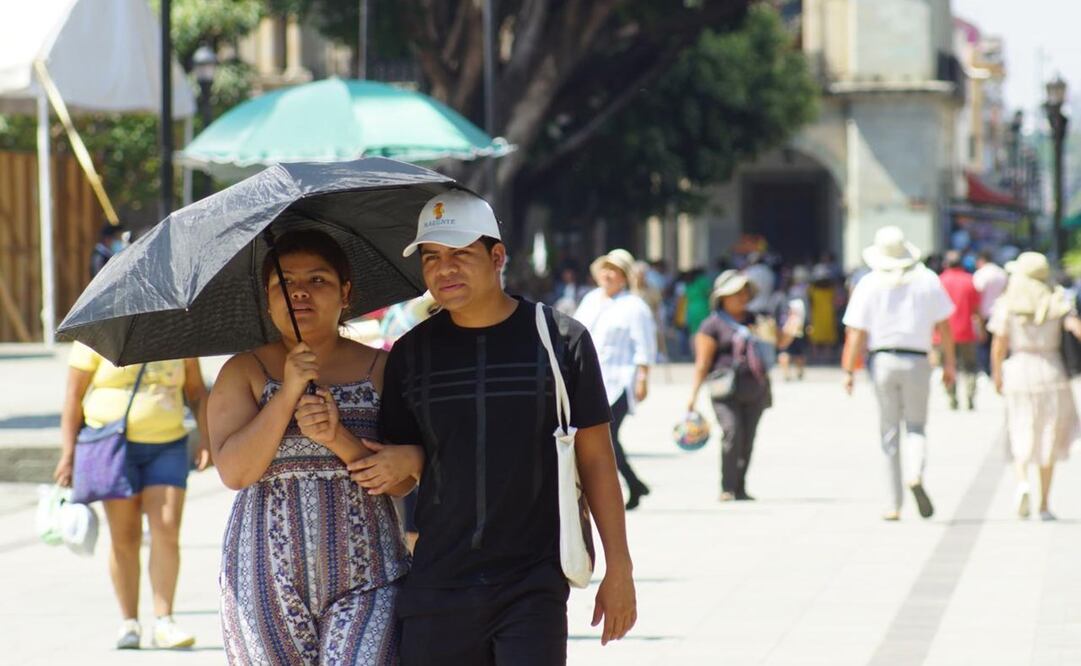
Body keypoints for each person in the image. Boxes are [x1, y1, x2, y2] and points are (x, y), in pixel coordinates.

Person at [352, 189, 636, 665]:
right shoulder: (410, 355)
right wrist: (401, 461)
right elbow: (400, 480)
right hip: (437, 584)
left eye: (460, 255)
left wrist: (620, 568)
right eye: (431, 257)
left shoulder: (561, 341)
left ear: (497, 256)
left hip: (533, 584)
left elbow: (597, 461)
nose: (444, 270)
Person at [208, 230, 415, 665]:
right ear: (268, 299)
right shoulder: (243, 371)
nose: (300, 291)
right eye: (285, 282)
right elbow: (235, 472)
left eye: (318, 280)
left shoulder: (382, 368)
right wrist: (286, 393)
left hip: (368, 575)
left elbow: (402, 483)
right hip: (263, 579)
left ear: (346, 293)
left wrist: (337, 437)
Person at [53, 343, 210, 649]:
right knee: (125, 536)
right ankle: (130, 622)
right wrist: (68, 454)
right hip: (112, 446)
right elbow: (73, 396)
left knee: (167, 528)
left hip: (169, 444)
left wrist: (207, 437)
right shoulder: (96, 335)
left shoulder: (180, 331)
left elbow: (196, 392)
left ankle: (164, 621)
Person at [841, 226, 956, 521]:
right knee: (916, 427)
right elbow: (945, 327)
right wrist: (950, 364)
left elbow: (856, 332)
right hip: (918, 360)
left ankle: (893, 504)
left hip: (883, 361)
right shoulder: (927, 280)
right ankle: (915, 473)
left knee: (889, 432)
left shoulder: (869, 283)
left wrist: (849, 370)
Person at [989, 252, 1081, 521]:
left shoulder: (1008, 302)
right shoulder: (1056, 300)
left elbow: (999, 344)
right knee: (1049, 433)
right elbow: (1076, 329)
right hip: (1052, 370)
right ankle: (1044, 505)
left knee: (1020, 426)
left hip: (1019, 368)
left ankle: (1022, 482)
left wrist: (997, 374)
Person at [687, 270, 793, 501]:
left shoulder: (757, 320)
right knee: (732, 432)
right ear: (723, 297)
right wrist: (693, 396)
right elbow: (702, 363)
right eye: (737, 293)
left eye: (745, 292)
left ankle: (741, 487)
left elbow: (778, 342)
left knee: (748, 438)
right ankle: (727, 486)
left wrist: (793, 323)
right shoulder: (711, 325)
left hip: (755, 389)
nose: (742, 297)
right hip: (723, 391)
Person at [574, 249, 657, 510]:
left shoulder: (634, 306)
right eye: (606, 269)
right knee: (597, 437)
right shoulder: (590, 300)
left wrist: (643, 377)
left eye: (615, 271)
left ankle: (628, 484)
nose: (608, 275)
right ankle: (634, 483)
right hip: (589, 378)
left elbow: (644, 344)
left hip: (618, 380)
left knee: (607, 435)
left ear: (624, 277)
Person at [937, 250, 982, 410]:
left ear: (945, 264)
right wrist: (981, 329)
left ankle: (952, 397)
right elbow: (976, 309)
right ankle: (970, 395)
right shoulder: (969, 281)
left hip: (944, 333)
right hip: (966, 330)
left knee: (947, 364)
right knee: (970, 366)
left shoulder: (940, 281)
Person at [973, 250, 1008, 373]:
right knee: (1000, 345)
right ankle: (998, 371)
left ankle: (988, 372)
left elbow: (977, 296)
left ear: (981, 260)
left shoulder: (980, 274)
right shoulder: (1001, 273)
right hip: (1000, 313)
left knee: (984, 346)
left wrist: (977, 319)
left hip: (984, 314)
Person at [808, 264, 839, 361]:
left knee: (815, 337)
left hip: (816, 316)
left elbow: (810, 303)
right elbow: (835, 301)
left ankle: (816, 357)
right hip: (828, 315)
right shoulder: (831, 289)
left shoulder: (812, 289)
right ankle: (827, 357)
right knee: (827, 338)